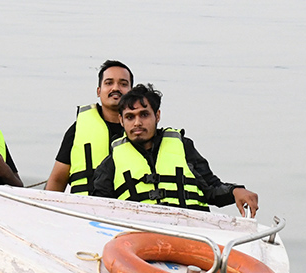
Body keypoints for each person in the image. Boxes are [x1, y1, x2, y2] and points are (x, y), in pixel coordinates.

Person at [91, 84, 259, 216]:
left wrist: (235, 191)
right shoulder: (111, 163)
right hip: (141, 238)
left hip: (193, 233)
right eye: (130, 117)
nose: (137, 123)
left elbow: (211, 188)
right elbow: (98, 209)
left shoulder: (183, 147)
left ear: (157, 116)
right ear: (121, 120)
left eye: (144, 115)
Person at [44, 60, 133, 194]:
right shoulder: (78, 129)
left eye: (123, 84)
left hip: (126, 210)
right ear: (99, 91)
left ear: (131, 91)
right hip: (84, 208)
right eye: (109, 83)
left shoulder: (141, 131)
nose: (115, 88)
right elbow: (56, 181)